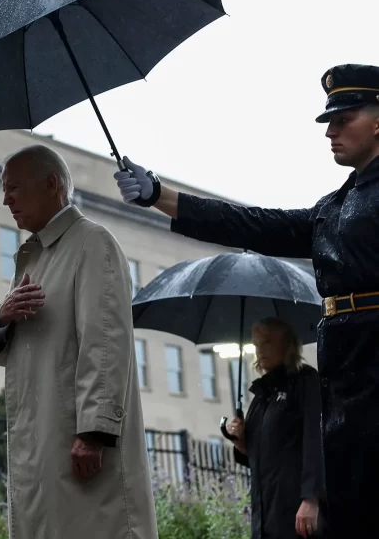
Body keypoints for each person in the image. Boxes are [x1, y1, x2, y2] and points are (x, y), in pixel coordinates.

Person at [113, 63, 379, 538]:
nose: (331, 132)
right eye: (329, 123)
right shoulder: (333, 207)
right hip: (345, 371)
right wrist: (159, 194)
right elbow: (255, 224)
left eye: (344, 119)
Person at [0, 144, 157, 539]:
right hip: (41, 447)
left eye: (14, 188)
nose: (5, 199)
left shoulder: (93, 242)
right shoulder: (32, 258)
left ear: (51, 184)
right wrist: (1, 317)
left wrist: (94, 432)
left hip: (78, 445)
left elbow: (106, 341)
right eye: (3, 189)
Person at [225, 317, 325, 538]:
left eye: (267, 342)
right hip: (265, 514)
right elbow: (259, 454)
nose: (260, 349)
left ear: (287, 344)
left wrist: (311, 497)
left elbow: (314, 439)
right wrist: (241, 442)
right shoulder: (262, 395)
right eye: (257, 344)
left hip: (296, 511)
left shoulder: (305, 382)